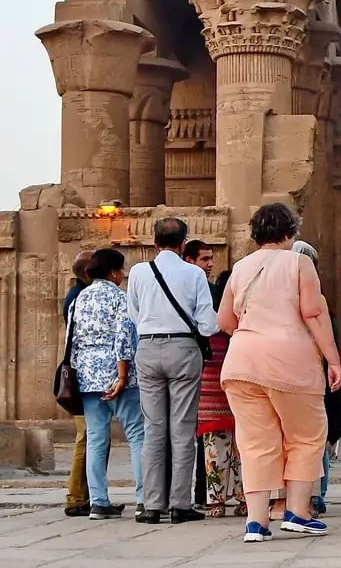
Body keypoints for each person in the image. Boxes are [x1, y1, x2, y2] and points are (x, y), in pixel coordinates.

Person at [218, 204, 341, 543]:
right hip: (289, 361)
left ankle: (256, 523)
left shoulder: (240, 268)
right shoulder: (299, 262)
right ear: (290, 232)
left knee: (256, 443)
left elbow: (225, 321)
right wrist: (333, 359)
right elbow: (314, 313)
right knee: (306, 436)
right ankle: (298, 512)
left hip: (242, 363)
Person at [128, 217, 218, 525]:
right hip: (182, 348)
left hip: (148, 347)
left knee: (154, 429)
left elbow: (133, 314)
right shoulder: (193, 273)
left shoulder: (139, 272)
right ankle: (181, 503)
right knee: (182, 428)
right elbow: (208, 323)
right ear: (183, 245)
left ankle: (152, 504)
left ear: (154, 243)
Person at [70, 249, 145, 520]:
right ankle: (143, 498)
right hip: (116, 372)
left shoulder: (79, 299)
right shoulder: (119, 298)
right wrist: (123, 376)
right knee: (137, 434)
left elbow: (72, 340)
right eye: (122, 270)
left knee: (96, 437)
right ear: (114, 272)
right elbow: (124, 338)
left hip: (87, 375)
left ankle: (98, 501)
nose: (124, 275)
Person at [292, 240, 341, 518]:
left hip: (299, 371)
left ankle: (306, 495)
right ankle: (314, 494)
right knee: (314, 436)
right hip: (311, 372)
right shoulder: (316, 299)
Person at [197, 266, 245, 519]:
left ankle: (215, 502)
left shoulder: (205, 330)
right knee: (243, 451)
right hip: (237, 393)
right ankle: (244, 498)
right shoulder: (238, 327)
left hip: (209, 394)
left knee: (213, 452)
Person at [184, 238, 216, 509]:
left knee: (204, 434)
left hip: (205, 367)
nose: (209, 265)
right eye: (204, 260)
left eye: (211, 259)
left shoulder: (213, 290)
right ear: (189, 260)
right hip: (188, 362)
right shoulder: (187, 287)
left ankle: (201, 493)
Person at [62, 249, 94, 517]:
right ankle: (76, 497)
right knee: (85, 437)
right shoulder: (79, 298)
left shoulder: (78, 294)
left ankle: (86, 494)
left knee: (89, 437)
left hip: (82, 376)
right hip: (81, 377)